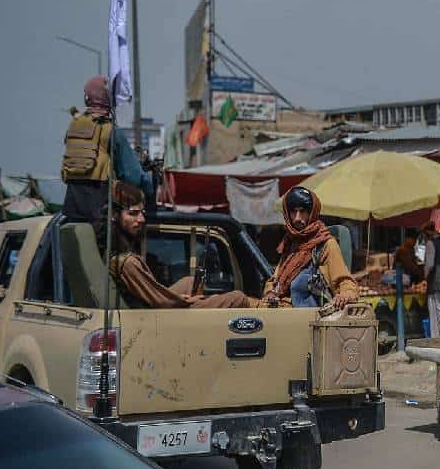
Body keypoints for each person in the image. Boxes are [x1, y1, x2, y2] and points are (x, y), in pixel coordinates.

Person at [106, 183, 255, 309]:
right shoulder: (127, 263)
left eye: (142, 212)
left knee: (188, 282)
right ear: (114, 215)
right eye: (133, 213)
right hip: (161, 314)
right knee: (238, 297)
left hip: (162, 307)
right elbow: (159, 301)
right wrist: (185, 301)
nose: (141, 219)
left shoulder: (121, 257)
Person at [61, 76, 155, 225]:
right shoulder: (111, 131)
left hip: (72, 211)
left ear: (87, 99)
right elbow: (133, 176)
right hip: (100, 213)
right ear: (109, 100)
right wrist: (154, 185)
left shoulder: (73, 127)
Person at [262, 186, 357, 308]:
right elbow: (274, 280)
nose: (297, 218)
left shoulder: (325, 245)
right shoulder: (290, 244)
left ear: (312, 213)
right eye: (293, 212)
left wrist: (345, 295)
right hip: (279, 309)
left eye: (302, 211)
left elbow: (345, 282)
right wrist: (270, 293)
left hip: (306, 318)